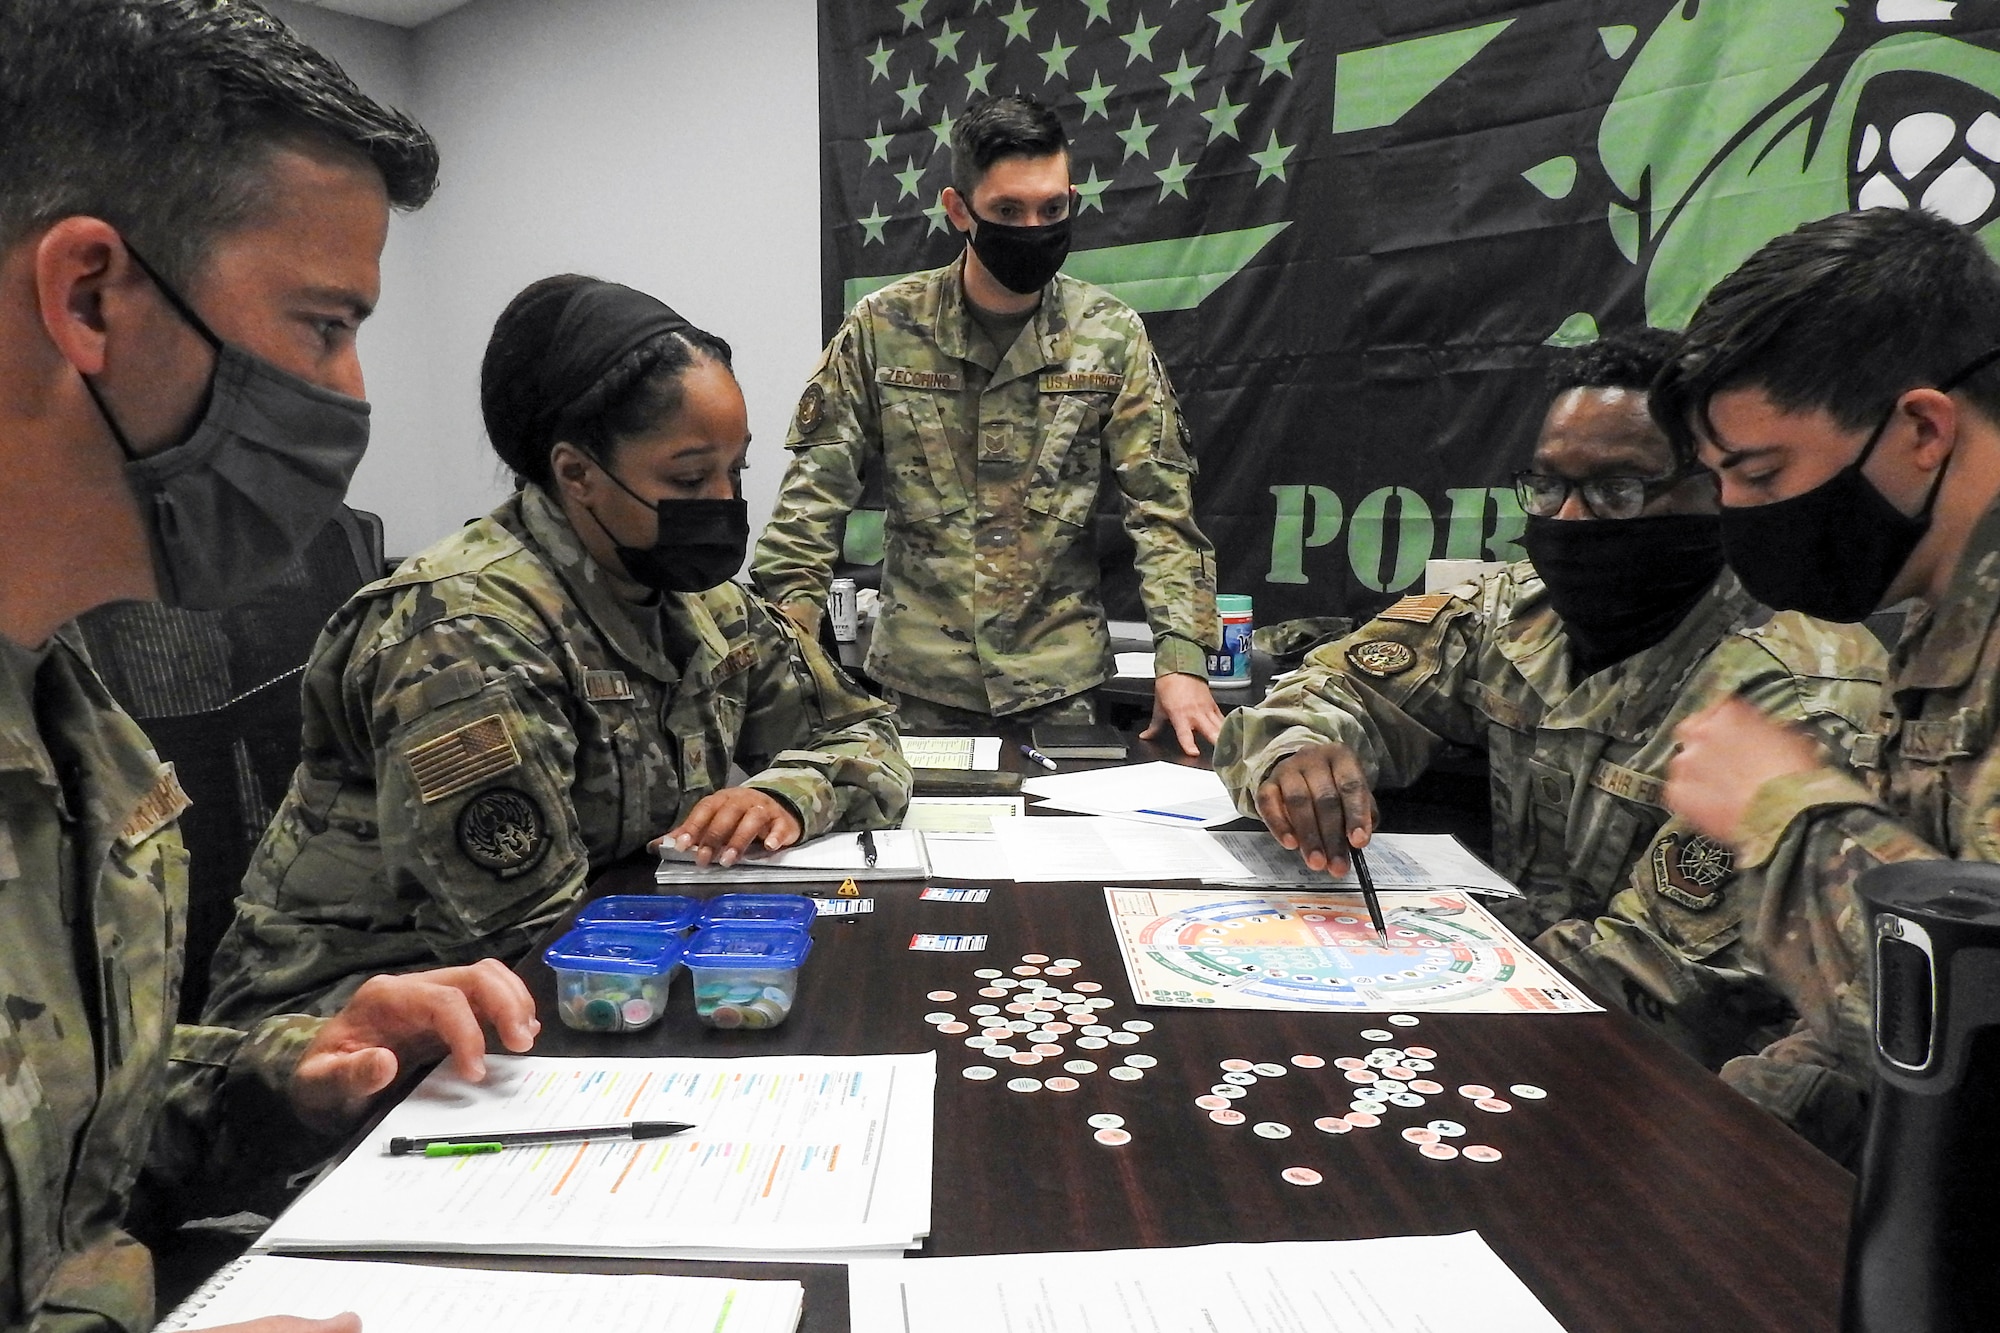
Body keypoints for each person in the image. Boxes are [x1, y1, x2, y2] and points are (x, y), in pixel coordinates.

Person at [0, 3, 538, 1330]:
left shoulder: (68, 705)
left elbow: (64, 1127)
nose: (352, 395)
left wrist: (295, 1066)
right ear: (90, 297)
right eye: (320, 325)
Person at [204, 275, 912, 1025]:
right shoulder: (464, 636)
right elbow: (523, 939)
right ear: (577, 474)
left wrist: (783, 794)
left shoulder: (695, 596)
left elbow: (868, 733)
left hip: (586, 969)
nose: (724, 501)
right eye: (688, 475)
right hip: (356, 1020)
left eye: (735, 470)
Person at [1213, 330, 1886, 1066]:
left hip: (1693, 1096)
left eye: (1617, 490)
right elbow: (1329, 685)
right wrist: (1297, 750)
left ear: (1718, 490)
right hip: (1507, 1020)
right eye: (1547, 485)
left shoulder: (1798, 696)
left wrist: (1383, 979)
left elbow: (1659, 983)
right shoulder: (1515, 611)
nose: (1567, 519)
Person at [1650, 206, 2000, 1162]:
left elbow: (1978, 1022)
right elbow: (1864, 1045)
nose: (1740, 515)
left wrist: (1784, 814)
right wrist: (1716, 1144)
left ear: (1923, 427)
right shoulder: (1942, 621)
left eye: (1762, 476)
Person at [751, 94, 1222, 754]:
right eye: (1008, 211)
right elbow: (810, 504)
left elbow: (1163, 511)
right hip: (919, 691)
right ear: (958, 209)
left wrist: (1181, 661)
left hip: (1060, 688)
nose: (1034, 227)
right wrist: (791, 651)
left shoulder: (1109, 337)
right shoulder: (884, 329)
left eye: (1052, 209)